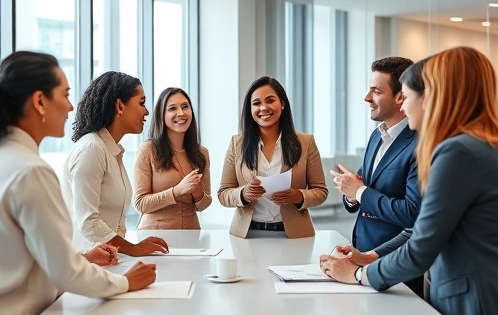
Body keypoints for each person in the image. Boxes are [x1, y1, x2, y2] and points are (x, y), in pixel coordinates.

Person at [320, 47, 498, 315]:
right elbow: (424, 227)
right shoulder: (487, 144)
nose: (405, 107)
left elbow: (421, 246)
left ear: (433, 97)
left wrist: (358, 274)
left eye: (408, 98)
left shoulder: (457, 153)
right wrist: (370, 256)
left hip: (473, 303)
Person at [0, 51, 156, 315]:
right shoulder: (31, 171)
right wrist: (125, 281)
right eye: (65, 94)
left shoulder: (11, 160)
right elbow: (64, 270)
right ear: (39, 101)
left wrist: (85, 258)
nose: (71, 106)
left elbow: (28, 257)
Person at [330, 56, 423, 297]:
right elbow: (364, 190)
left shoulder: (420, 144)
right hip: (363, 254)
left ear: (400, 96)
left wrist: (359, 192)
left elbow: (412, 213)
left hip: (398, 265)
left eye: (376, 91)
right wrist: (351, 194)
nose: (367, 98)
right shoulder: (376, 136)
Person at [62, 71, 169, 256]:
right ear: (120, 106)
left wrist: (130, 247)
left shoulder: (111, 150)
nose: (147, 111)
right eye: (141, 103)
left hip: (108, 261)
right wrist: (132, 249)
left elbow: (110, 224)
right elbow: (88, 222)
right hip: (87, 266)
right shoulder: (92, 148)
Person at [218, 76, 328, 239]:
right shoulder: (237, 144)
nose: (263, 108)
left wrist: (298, 196)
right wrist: (243, 194)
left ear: (282, 104)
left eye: (270, 100)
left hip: (292, 232)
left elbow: (321, 191)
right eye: (256, 103)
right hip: (248, 233)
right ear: (250, 109)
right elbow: (223, 193)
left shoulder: (306, 143)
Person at [133, 87, 211, 229]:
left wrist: (198, 193)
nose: (181, 113)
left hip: (191, 236)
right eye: (172, 108)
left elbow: (203, 205)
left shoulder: (202, 153)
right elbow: (140, 203)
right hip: (154, 237)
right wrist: (176, 191)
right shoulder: (148, 150)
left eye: (185, 107)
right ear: (161, 115)